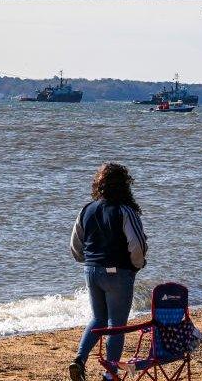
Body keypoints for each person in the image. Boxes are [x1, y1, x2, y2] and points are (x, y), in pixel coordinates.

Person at [69, 162, 148, 381]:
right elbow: (137, 244)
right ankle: (110, 374)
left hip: (91, 271)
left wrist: (90, 262)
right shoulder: (125, 211)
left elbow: (76, 247)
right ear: (125, 186)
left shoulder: (87, 209)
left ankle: (79, 360)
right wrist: (137, 265)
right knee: (117, 325)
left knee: (98, 318)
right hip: (118, 272)